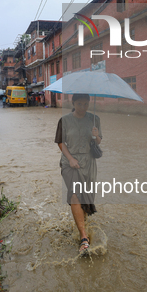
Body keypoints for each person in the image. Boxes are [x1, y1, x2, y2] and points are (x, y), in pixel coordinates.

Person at [55, 94, 102, 254]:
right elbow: (61, 142)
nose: (83, 107)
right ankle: (83, 237)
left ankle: (81, 221)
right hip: (70, 163)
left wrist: (96, 136)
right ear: (73, 103)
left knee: (86, 197)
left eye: (86, 104)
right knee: (75, 194)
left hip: (88, 163)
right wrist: (70, 159)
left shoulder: (94, 119)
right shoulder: (65, 120)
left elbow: (98, 141)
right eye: (80, 103)